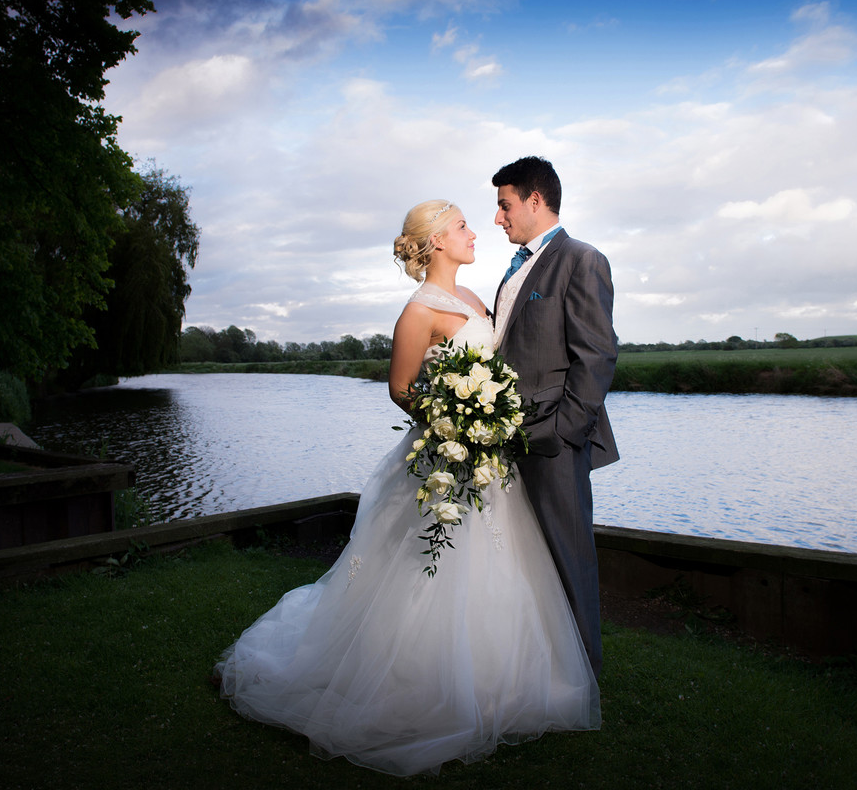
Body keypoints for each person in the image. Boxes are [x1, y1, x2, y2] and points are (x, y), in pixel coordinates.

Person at [213, 200, 600, 778]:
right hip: (448, 453)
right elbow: (400, 388)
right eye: (465, 226)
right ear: (439, 240)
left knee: (504, 568)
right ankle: (416, 685)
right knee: (431, 570)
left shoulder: (477, 298)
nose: (477, 232)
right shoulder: (419, 309)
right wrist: (455, 420)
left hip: (490, 462)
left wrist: (486, 418)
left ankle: (504, 682)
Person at [491, 156, 619, 679]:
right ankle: (533, 667)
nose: (498, 218)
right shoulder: (516, 267)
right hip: (505, 439)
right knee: (523, 561)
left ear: (535, 200)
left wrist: (563, 434)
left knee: (569, 559)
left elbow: (596, 355)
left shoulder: (582, 259)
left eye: (505, 205)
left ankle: (583, 675)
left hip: (554, 441)